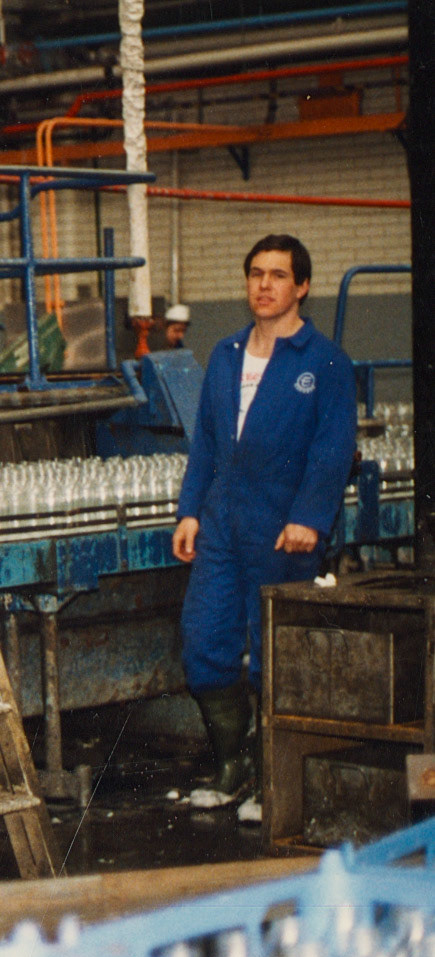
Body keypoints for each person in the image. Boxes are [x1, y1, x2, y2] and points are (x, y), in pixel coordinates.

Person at [171, 234, 355, 806]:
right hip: (223, 520)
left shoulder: (325, 360)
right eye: (256, 273)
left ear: (302, 286)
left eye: (278, 275)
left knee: (274, 652)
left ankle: (273, 781)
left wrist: (309, 518)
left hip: (284, 524)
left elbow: (334, 447)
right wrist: (190, 511)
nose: (264, 285)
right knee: (204, 640)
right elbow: (204, 441)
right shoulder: (226, 353)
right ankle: (232, 768)